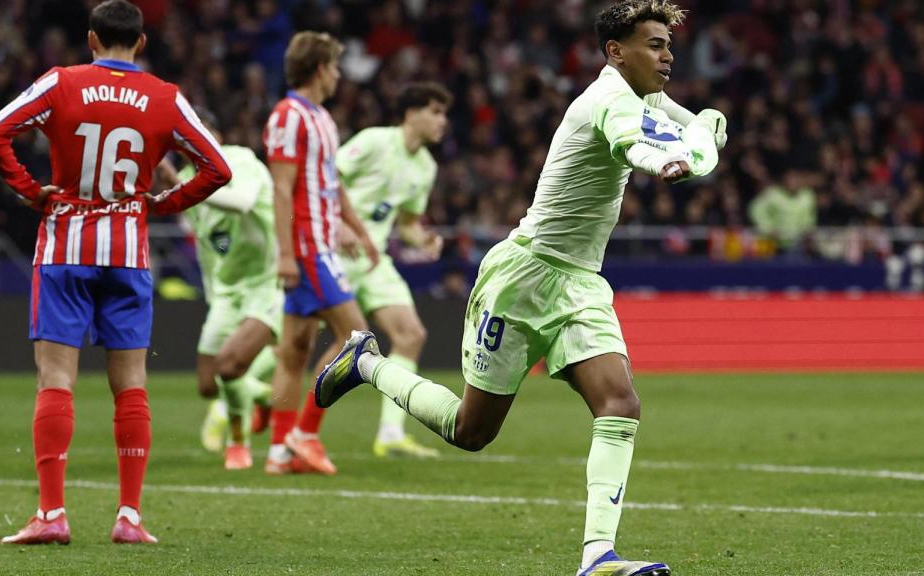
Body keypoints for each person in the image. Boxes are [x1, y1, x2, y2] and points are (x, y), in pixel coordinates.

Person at [315, 2, 726, 575]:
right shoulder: (606, 100)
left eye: (669, 45)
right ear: (616, 52)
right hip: (524, 276)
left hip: (581, 282)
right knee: (470, 430)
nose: (667, 56)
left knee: (620, 403)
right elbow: (633, 141)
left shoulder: (642, 97)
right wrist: (662, 161)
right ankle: (366, 364)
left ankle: (598, 555)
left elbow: (686, 122)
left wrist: (704, 126)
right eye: (654, 45)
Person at [0, 0, 231, 545]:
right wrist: (165, 203)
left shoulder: (62, 83)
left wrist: (29, 191)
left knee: (56, 378)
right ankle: (130, 517)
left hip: (64, 247)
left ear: (91, 39)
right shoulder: (165, 97)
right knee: (131, 385)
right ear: (141, 42)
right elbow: (218, 167)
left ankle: (52, 514)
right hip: (128, 252)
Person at [262, 31, 379, 475]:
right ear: (318, 69)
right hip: (307, 250)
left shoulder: (323, 119)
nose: (338, 75)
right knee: (357, 338)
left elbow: (331, 184)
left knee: (294, 350)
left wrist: (357, 229)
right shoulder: (288, 116)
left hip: (321, 243)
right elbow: (281, 188)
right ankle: (305, 433)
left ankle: (279, 451)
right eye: (334, 67)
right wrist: (286, 254)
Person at [334, 82, 452, 458]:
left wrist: (423, 240)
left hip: (373, 259)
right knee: (290, 340)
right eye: (435, 112)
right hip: (334, 252)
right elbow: (326, 177)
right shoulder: (374, 141)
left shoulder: (426, 167)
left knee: (411, 334)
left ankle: (389, 434)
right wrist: (339, 224)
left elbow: (407, 223)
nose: (443, 121)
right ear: (411, 113)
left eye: (444, 114)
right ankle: (234, 400)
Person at [172, 108, 281, 470]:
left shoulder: (240, 160)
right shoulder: (185, 179)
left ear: (216, 136)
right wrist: (213, 293)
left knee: (231, 365)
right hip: (227, 288)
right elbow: (207, 246)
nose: (195, 143)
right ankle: (265, 397)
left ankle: (238, 444)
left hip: (267, 281)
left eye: (202, 134)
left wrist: (188, 191)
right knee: (207, 384)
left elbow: (243, 201)